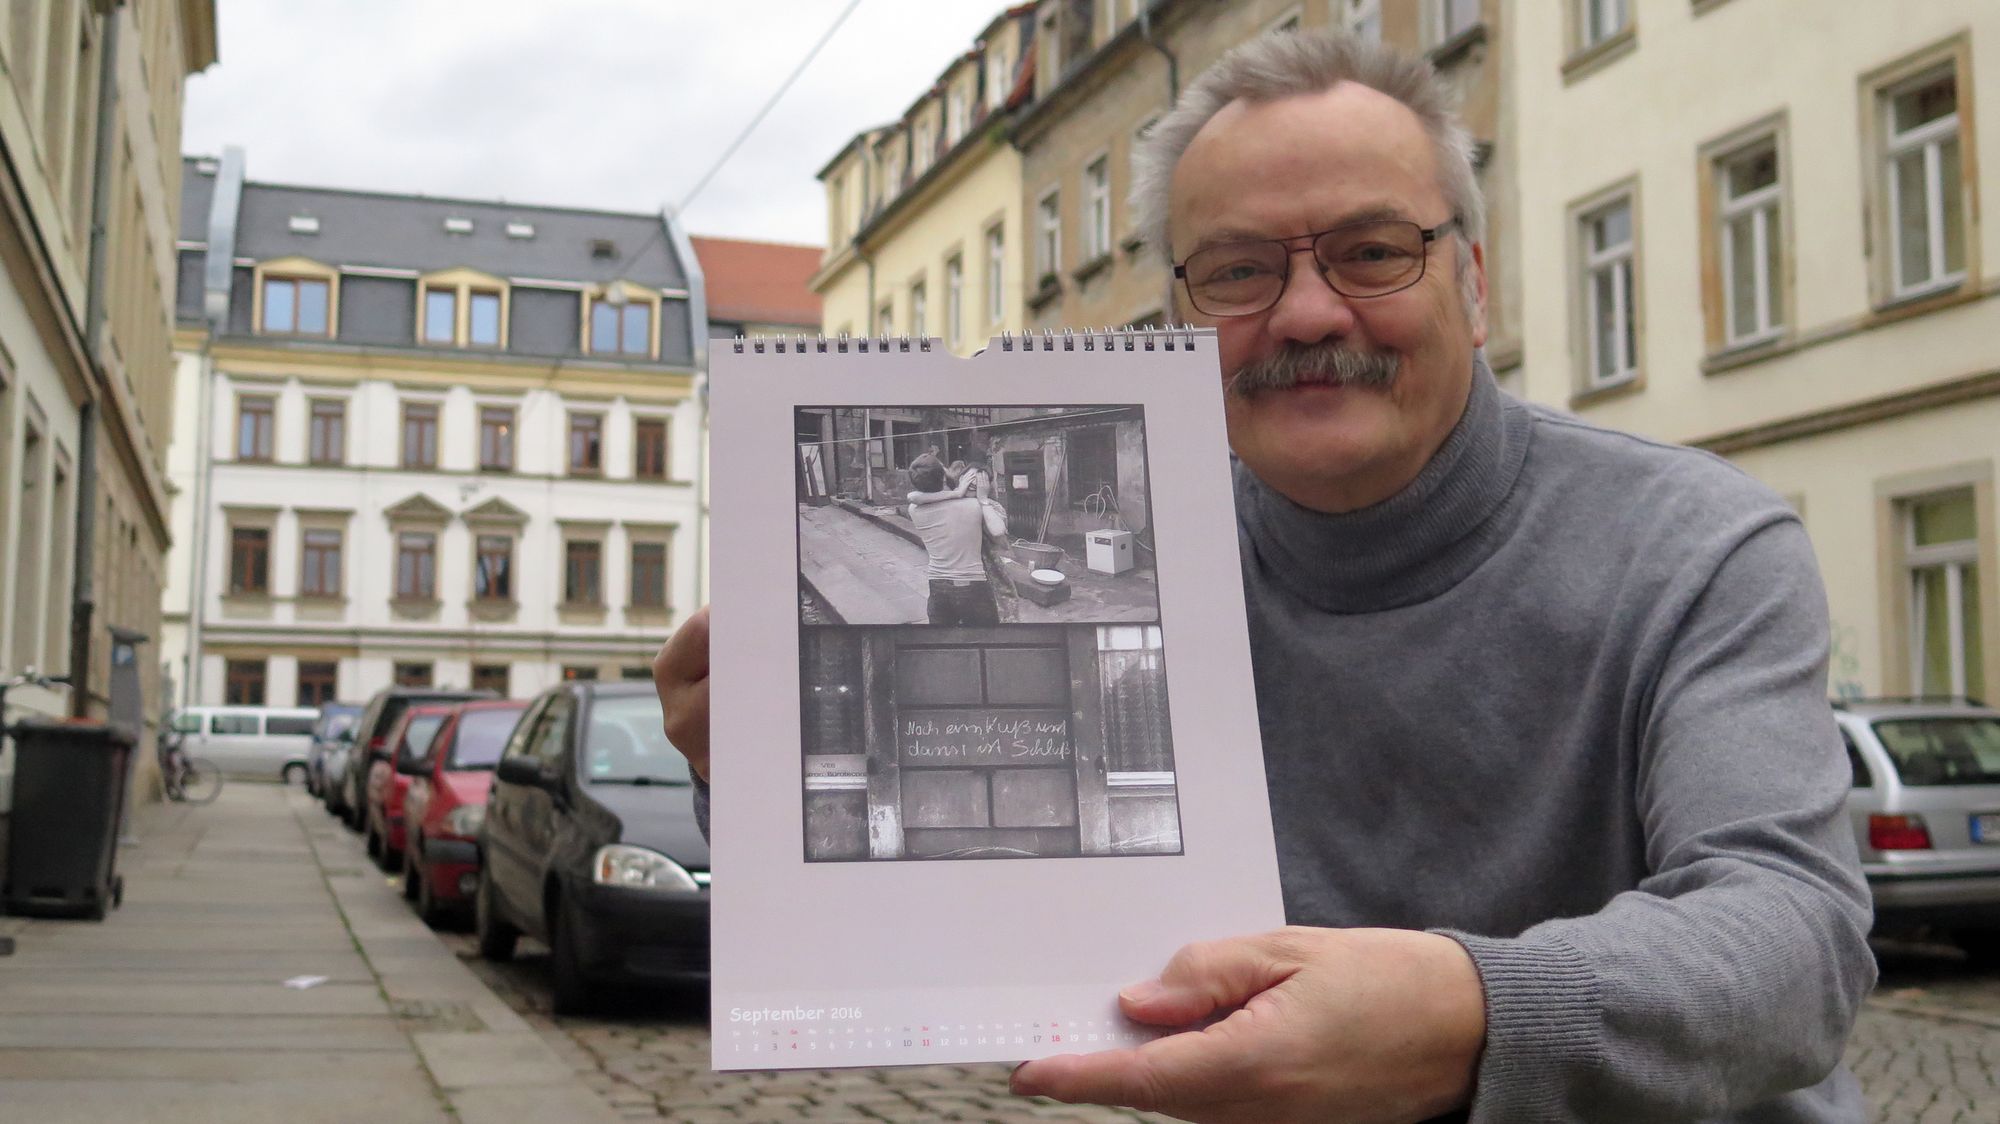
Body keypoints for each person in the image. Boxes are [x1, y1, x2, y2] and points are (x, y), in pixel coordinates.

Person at [658, 30, 1873, 1123]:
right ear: (1182, 316)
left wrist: (1470, 1009)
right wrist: (754, 775)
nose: (1302, 311)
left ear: (1473, 280)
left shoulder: (1696, 544)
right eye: (1237, 270)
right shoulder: (1166, 564)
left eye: (1371, 250)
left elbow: (1789, 941)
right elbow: (946, 885)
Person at [904, 452, 1000, 625]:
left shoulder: (914, 510)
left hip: (937, 587)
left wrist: (957, 492)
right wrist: (981, 498)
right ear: (942, 479)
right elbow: (998, 531)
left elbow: (913, 496)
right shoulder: (973, 506)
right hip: (973, 586)